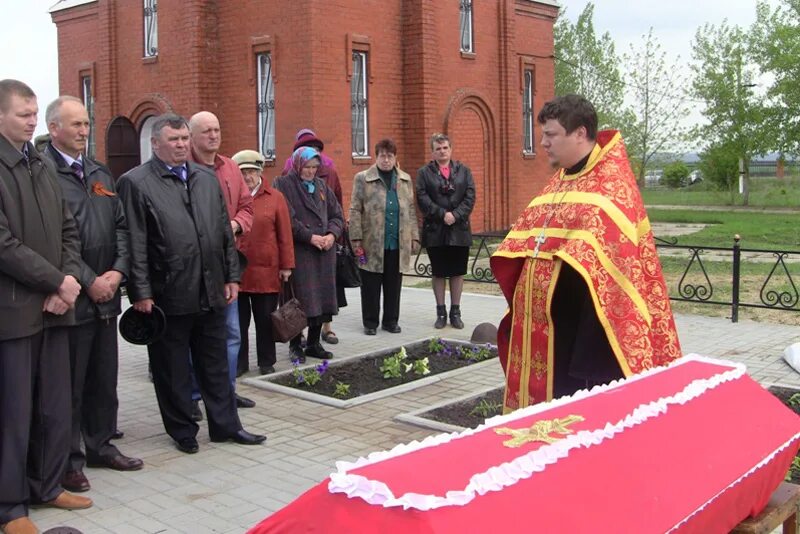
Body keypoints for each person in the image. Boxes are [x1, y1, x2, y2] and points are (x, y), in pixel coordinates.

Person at [490, 94, 682, 413]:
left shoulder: (610, 187)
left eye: (551, 135)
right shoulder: (560, 181)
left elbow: (614, 278)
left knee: (576, 424)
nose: (543, 143)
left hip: (582, 342)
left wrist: (587, 358)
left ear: (580, 133)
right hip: (545, 333)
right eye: (543, 135)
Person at [117, 113, 265, 455]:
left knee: (214, 362)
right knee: (172, 367)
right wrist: (141, 292)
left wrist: (231, 275)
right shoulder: (136, 182)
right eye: (174, 140)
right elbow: (134, 240)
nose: (182, 145)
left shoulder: (204, 177)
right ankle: (183, 429)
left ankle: (226, 426)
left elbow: (222, 232)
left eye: (184, 138)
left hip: (210, 286)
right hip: (167, 291)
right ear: (155, 144)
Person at [0, 80, 91, 534]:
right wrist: (56, 279)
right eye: (23, 113)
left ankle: (47, 484)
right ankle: (10, 507)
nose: (32, 120)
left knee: (54, 406)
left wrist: (67, 281)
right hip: (13, 313)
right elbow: (4, 245)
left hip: (56, 308)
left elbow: (67, 230)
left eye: (36, 112)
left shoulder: (38, 164)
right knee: (14, 414)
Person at [42, 96, 142, 495]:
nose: (84, 131)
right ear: (54, 129)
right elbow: (53, 239)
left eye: (86, 124)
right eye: (76, 124)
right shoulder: (44, 173)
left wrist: (117, 272)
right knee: (71, 384)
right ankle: (69, 460)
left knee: (104, 377)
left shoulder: (100, 172)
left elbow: (121, 228)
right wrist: (88, 280)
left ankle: (101, 445)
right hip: (71, 298)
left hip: (106, 295)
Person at [188, 111, 256, 414]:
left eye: (216, 130)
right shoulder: (182, 167)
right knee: (195, 335)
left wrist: (236, 225)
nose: (213, 136)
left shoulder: (230, 167)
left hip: (227, 265)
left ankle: (226, 391)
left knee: (231, 332)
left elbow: (246, 206)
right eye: (206, 131)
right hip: (191, 268)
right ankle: (192, 396)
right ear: (192, 136)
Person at [274, 147, 344, 361]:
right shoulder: (284, 184)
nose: (311, 172)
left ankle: (314, 343)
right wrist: (310, 237)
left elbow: (337, 214)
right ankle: (295, 345)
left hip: (324, 252)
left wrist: (332, 234)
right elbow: (287, 219)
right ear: (297, 165)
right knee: (300, 300)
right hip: (301, 252)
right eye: (307, 167)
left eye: (315, 167)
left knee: (321, 299)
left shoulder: (322, 186)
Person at [231, 149, 294, 375]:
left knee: (265, 320)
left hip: (266, 272)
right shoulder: (232, 198)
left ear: (260, 172)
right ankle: (239, 363)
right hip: (237, 273)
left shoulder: (275, 198)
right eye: (243, 172)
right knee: (238, 323)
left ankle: (266, 362)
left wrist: (286, 265)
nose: (248, 176)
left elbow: (285, 235)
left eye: (252, 171)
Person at [349, 138, 420, 335]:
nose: (386, 160)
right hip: (371, 241)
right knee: (370, 283)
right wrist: (355, 238)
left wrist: (414, 236)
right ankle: (370, 322)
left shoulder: (405, 179)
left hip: (397, 241)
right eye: (382, 156)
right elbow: (355, 209)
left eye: (390, 156)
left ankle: (390, 321)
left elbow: (411, 210)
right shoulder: (363, 178)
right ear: (376, 156)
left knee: (393, 283)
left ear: (395, 158)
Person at [415, 133, 476, 330]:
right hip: (436, 230)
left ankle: (455, 312)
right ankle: (440, 312)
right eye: (438, 148)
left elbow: (470, 195)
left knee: (458, 272)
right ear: (433, 151)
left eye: (445, 148)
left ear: (451, 149)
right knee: (439, 272)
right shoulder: (424, 173)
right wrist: (442, 214)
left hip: (459, 229)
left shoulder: (463, 171)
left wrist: (456, 215)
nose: (442, 151)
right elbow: (422, 198)